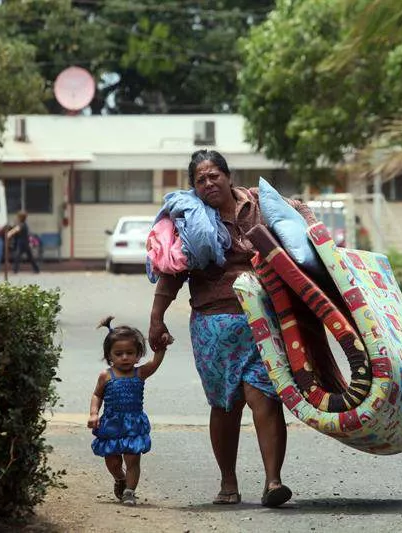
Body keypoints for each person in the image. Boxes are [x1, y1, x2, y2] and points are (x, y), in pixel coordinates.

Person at [148, 149, 317, 508]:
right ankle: (228, 483)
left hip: (265, 319)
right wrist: (156, 318)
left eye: (214, 176)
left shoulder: (259, 204)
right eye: (200, 179)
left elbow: (300, 219)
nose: (209, 183)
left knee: (266, 396)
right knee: (225, 405)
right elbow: (172, 274)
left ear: (228, 176)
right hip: (214, 324)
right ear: (193, 186)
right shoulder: (191, 218)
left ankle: (273, 481)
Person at [88, 317, 170, 506]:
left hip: (133, 424)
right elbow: (97, 395)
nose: (124, 357)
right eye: (119, 353)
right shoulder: (106, 375)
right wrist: (94, 413)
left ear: (138, 354)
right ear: (109, 355)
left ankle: (130, 492)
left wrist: (163, 346)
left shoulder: (139, 373)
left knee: (133, 459)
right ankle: (120, 478)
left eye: (130, 353)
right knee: (112, 460)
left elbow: (155, 363)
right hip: (111, 424)